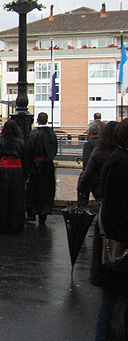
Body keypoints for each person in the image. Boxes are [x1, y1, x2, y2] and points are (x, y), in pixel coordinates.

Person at [94, 119, 128, 340]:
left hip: (111, 237)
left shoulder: (113, 157)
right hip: (119, 242)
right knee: (116, 299)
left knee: (111, 298)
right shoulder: (121, 163)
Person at [78, 121, 120, 288]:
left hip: (101, 192)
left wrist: (82, 187)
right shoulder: (118, 153)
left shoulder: (97, 150)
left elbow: (87, 170)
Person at [0, 120, 26, 234]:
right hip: (17, 171)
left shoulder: (0, 142)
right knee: (16, 198)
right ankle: (15, 223)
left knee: (2, 198)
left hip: (3, 171)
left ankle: (2, 222)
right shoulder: (21, 142)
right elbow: (25, 159)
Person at [25, 112, 58, 225]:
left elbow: (29, 150)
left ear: (37, 120)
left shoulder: (34, 134)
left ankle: (32, 213)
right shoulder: (52, 134)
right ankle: (43, 214)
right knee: (46, 190)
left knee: (34, 190)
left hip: (36, 166)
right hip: (48, 166)